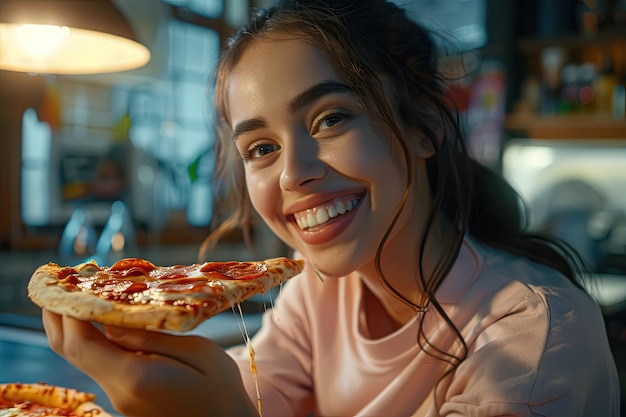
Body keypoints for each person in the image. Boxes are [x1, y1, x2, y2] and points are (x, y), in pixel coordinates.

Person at [42, 0, 620, 416]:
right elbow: (252, 395)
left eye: (332, 118)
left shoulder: (533, 339)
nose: (294, 172)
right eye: (261, 148)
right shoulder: (316, 293)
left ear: (421, 128)